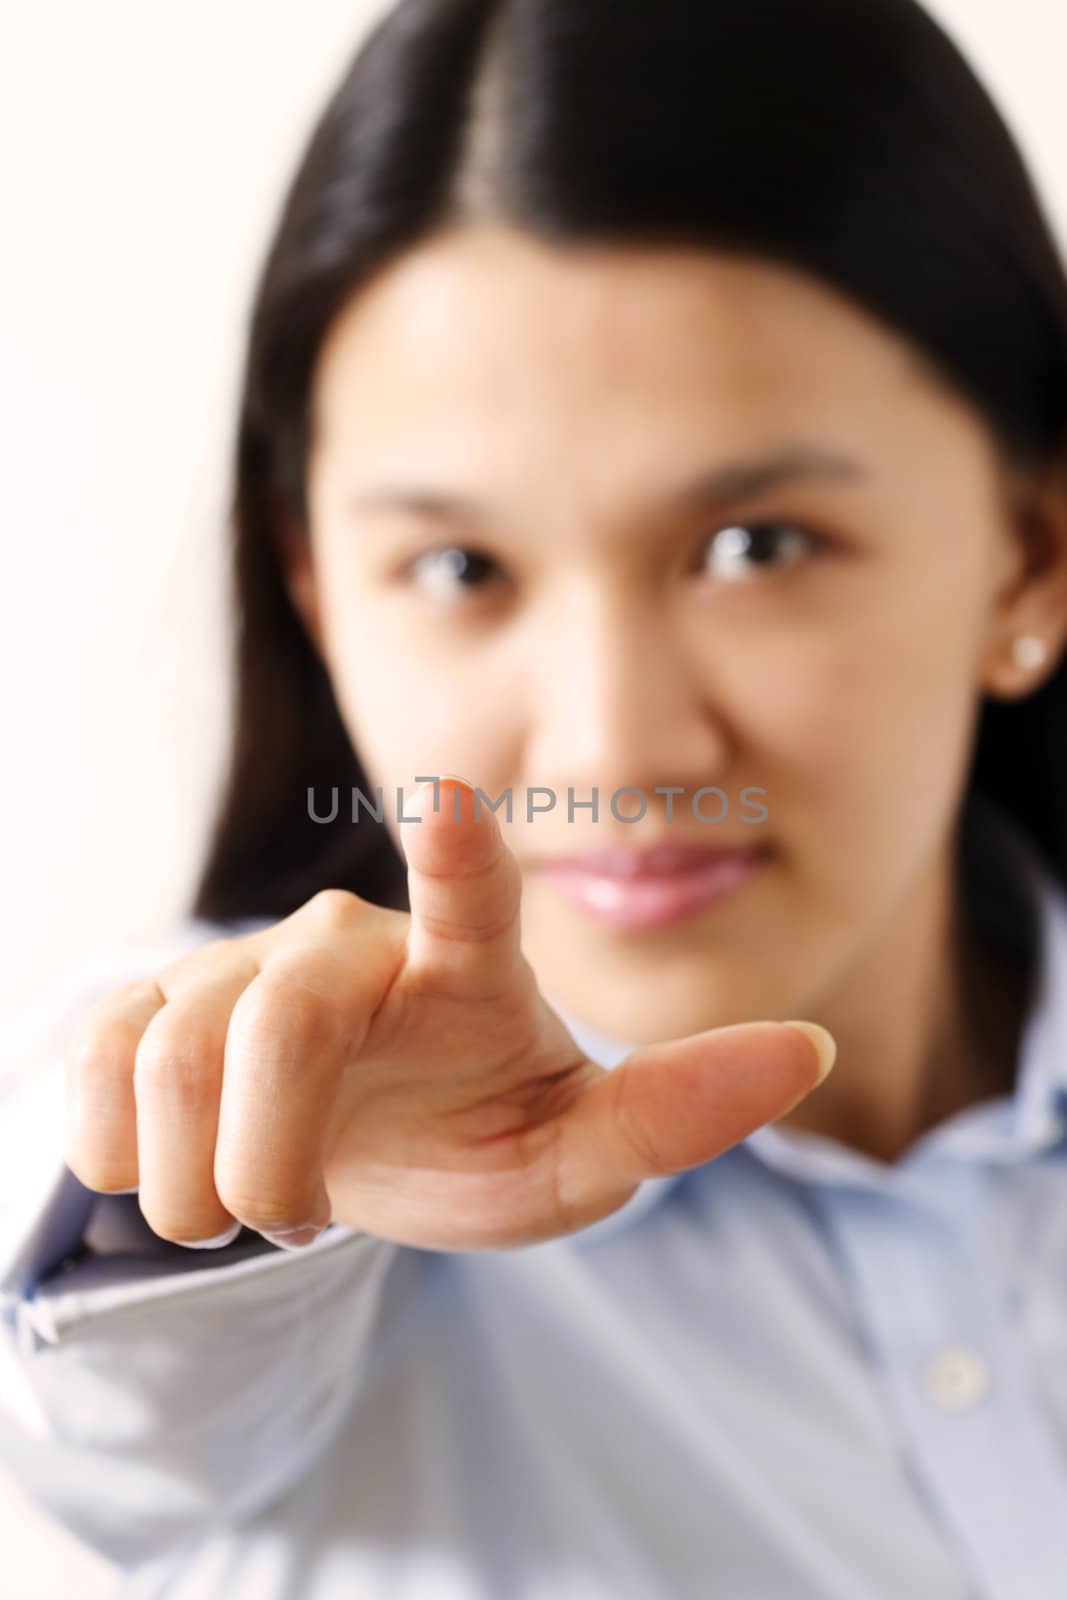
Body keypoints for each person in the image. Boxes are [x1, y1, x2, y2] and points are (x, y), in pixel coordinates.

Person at [3, 0, 1067, 1594]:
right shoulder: (276, 1181)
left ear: (1029, 556)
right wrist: (230, 1192)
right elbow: (112, 1419)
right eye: (459, 568)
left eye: (754, 546)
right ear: (316, 591)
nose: (614, 750)